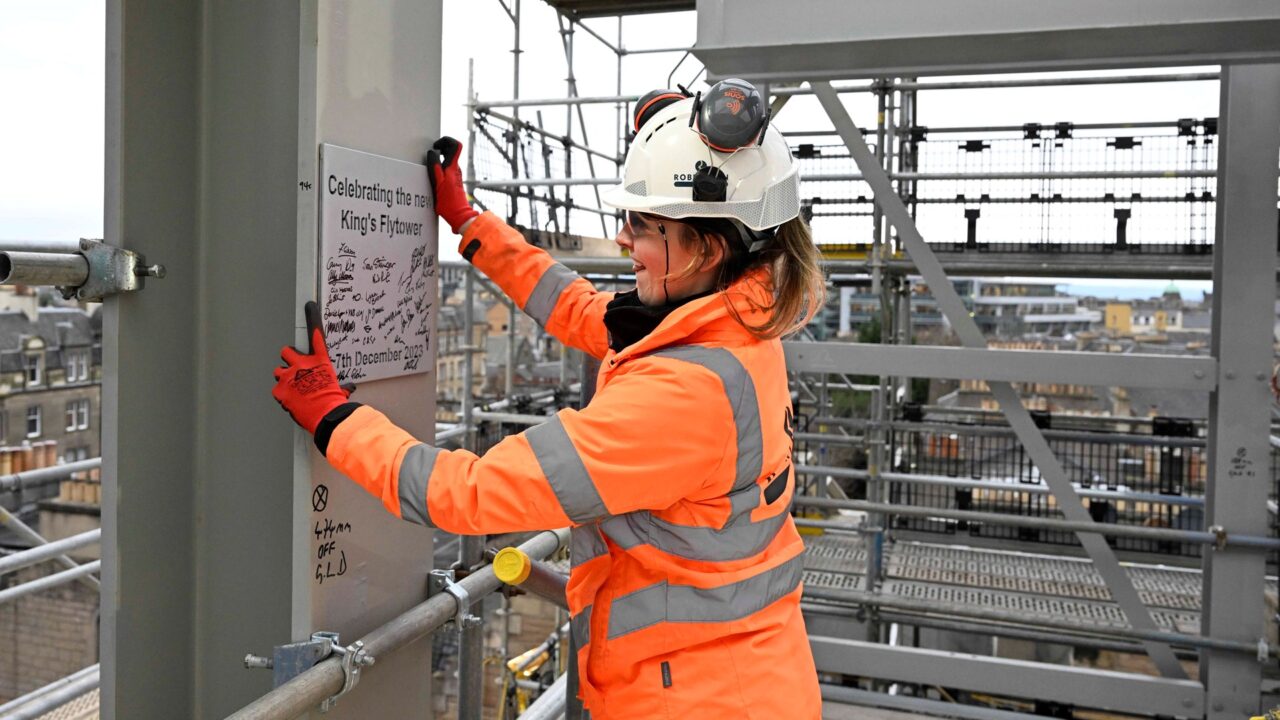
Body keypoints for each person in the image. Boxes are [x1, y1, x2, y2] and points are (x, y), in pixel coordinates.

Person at [272, 78, 825, 719]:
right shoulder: (734, 325)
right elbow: (579, 308)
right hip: (736, 674)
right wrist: (470, 224)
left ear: (703, 245)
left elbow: (467, 493)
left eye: (642, 225)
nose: (623, 239)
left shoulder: (684, 394)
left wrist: (333, 415)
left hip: (700, 700)